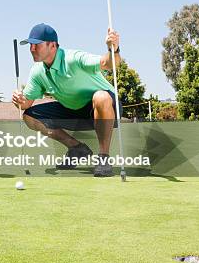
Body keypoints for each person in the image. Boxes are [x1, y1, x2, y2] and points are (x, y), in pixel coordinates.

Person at [12, 23, 122, 177]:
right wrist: (18, 99)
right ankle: (77, 148)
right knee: (30, 116)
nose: (32, 49)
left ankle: (103, 157)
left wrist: (114, 49)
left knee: (101, 96)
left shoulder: (74, 58)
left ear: (52, 45)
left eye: (36, 45)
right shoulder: (37, 71)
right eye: (30, 45)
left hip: (107, 107)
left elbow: (109, 63)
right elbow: (25, 104)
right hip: (73, 110)